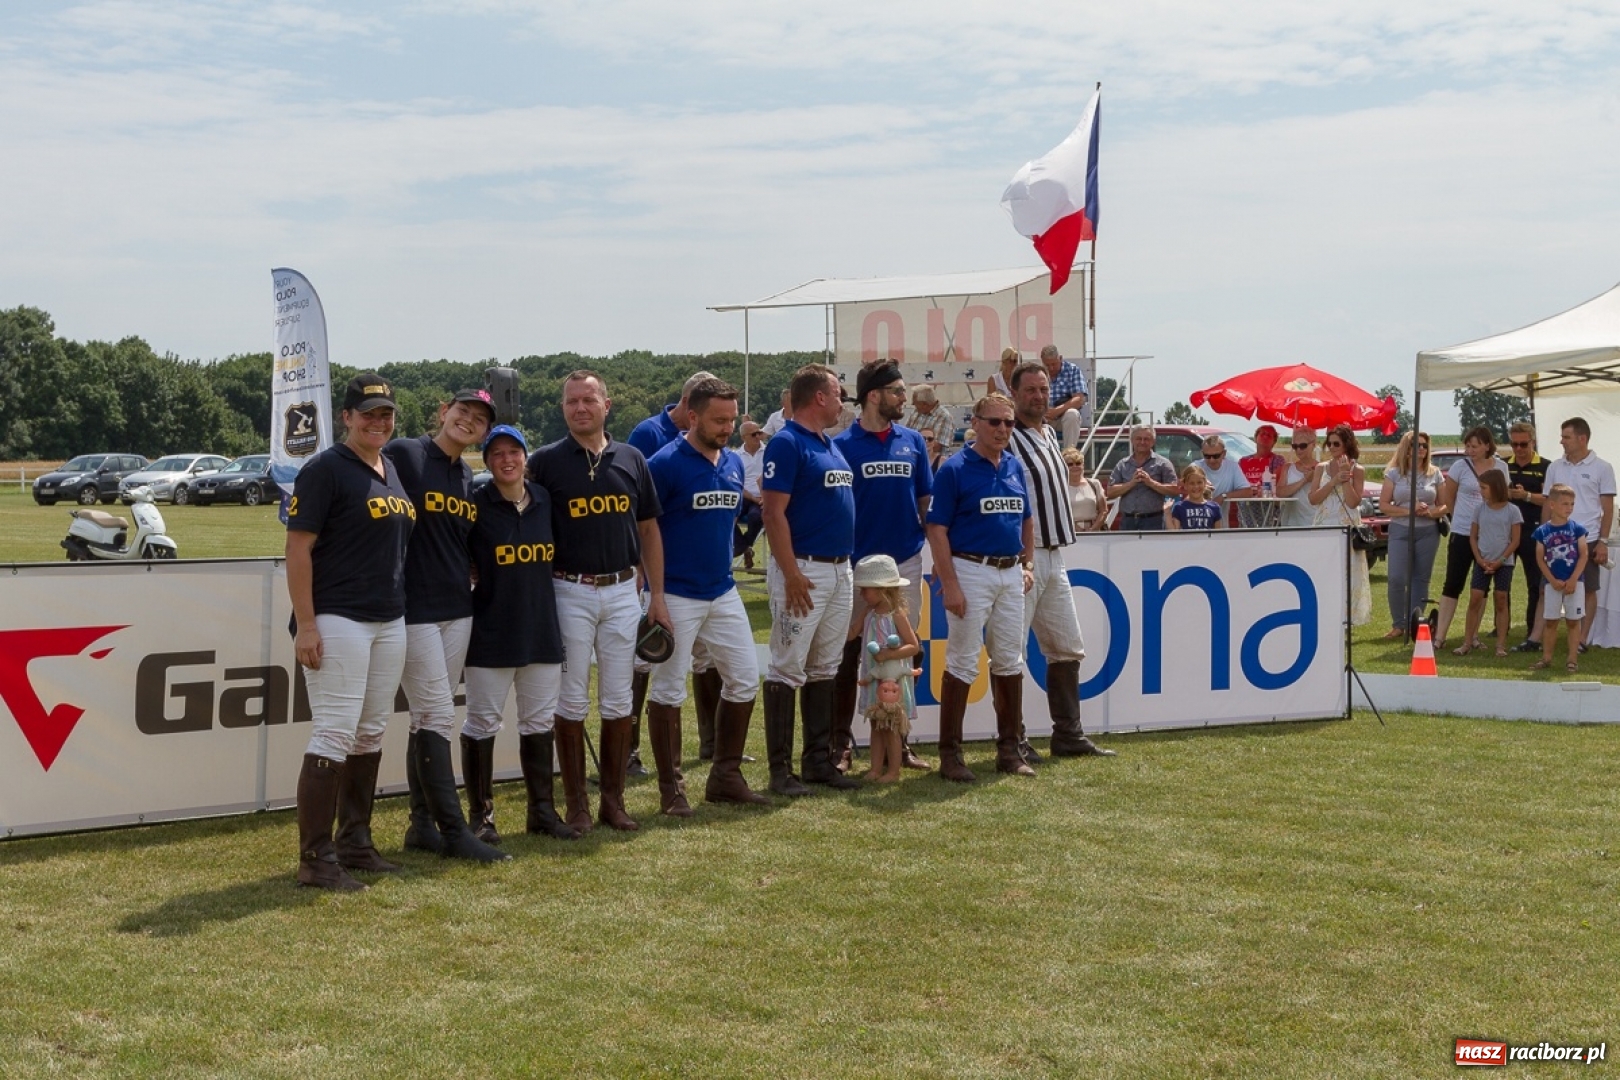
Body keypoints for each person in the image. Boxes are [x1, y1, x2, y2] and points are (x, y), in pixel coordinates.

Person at [286, 373, 416, 891]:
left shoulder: (390, 468)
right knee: (335, 732)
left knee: (370, 731)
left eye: (386, 414)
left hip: (388, 617)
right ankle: (315, 859)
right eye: (368, 413)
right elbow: (298, 549)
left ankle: (355, 842)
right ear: (346, 417)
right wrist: (308, 623)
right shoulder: (324, 469)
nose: (378, 422)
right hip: (338, 616)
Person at [527, 371, 669, 833]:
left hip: (624, 590)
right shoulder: (545, 463)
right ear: (563, 407)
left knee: (617, 699)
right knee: (570, 701)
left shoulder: (631, 458)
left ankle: (613, 800)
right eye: (571, 401)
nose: (580, 408)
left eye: (588, 400)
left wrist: (657, 597)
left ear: (607, 404)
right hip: (569, 588)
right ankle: (577, 805)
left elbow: (648, 529)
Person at [381, 387, 507, 862]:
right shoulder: (405, 453)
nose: (468, 421)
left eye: (479, 419)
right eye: (463, 412)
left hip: (459, 606)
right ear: (443, 412)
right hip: (414, 608)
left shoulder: (467, 475)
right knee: (436, 713)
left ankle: (421, 826)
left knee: (425, 718)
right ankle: (454, 831)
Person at [644, 377, 771, 814]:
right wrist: (654, 594)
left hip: (723, 590)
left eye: (732, 420)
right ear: (693, 415)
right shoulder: (663, 464)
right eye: (719, 420)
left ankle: (725, 777)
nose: (727, 428)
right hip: (676, 593)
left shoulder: (734, 463)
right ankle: (671, 789)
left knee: (742, 678)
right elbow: (645, 530)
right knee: (667, 689)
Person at [461, 424, 576, 841]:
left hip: (541, 629)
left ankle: (542, 813)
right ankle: (481, 816)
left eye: (514, 452)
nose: (506, 460)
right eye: (497, 454)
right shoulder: (475, 503)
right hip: (491, 630)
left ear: (526, 458)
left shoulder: (544, 499)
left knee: (539, 721)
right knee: (482, 722)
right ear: (487, 461)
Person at [760, 363, 861, 796]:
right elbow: (772, 512)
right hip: (805, 569)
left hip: (840, 568)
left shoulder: (830, 445)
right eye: (838, 394)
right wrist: (792, 573)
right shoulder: (786, 443)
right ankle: (780, 772)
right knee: (788, 666)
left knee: (826, 666)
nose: (842, 402)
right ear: (818, 397)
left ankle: (818, 761)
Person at [926, 392, 1036, 782]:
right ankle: (950, 755)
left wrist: (1028, 563)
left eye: (1009, 423)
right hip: (970, 568)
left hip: (1009, 573)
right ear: (976, 422)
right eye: (995, 422)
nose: (1003, 429)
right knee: (961, 660)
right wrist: (950, 583)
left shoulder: (1013, 466)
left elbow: (1025, 518)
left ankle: (1010, 750)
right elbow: (936, 527)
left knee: (1010, 660)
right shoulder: (955, 469)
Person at [831, 359, 933, 774]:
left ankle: (900, 742)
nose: (904, 398)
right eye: (896, 391)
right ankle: (840, 744)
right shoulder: (842, 445)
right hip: (857, 566)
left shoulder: (913, 441)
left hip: (904, 563)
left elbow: (926, 500)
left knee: (899, 655)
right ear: (873, 396)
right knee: (846, 653)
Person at [1009, 362, 1114, 761]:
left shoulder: (1050, 434)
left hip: (1056, 554)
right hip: (1025, 557)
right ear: (1015, 394)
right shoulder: (1011, 438)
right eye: (1030, 390)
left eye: (1043, 388)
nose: (1038, 396)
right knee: (1012, 652)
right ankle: (1013, 738)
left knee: (1068, 647)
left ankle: (1067, 734)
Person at [625, 370, 718, 780]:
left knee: (705, 655)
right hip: (660, 573)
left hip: (702, 572)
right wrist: (640, 567)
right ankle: (629, 750)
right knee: (647, 657)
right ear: (688, 406)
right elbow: (637, 507)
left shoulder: (712, 443)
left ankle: (711, 742)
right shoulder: (649, 434)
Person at [1542, 417, 1615, 646]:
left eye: (1566, 437)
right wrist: (1544, 535)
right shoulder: (1555, 466)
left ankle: (1582, 639)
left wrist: (1603, 541)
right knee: (1552, 586)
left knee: (1588, 588)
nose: (1561, 441)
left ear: (1582, 439)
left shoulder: (1602, 467)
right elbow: (1547, 503)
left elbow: (1607, 508)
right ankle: (1548, 636)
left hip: (1588, 537)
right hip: (1555, 537)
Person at [1437, 426, 1510, 647]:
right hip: (1462, 531)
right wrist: (1459, 518)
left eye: (1475, 446)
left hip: (1489, 536)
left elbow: (1503, 499)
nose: (1470, 450)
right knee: (1453, 583)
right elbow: (1448, 499)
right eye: (1468, 446)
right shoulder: (1459, 467)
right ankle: (1439, 636)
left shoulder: (1501, 467)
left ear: (1487, 445)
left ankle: (1473, 636)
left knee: (1481, 587)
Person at [852, 554, 921, 783]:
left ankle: (893, 770)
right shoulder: (869, 613)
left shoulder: (896, 615)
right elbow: (852, 633)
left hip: (891, 681)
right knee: (876, 723)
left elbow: (913, 646)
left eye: (866, 590)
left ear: (883, 589)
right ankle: (874, 768)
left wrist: (889, 654)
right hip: (873, 678)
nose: (862, 594)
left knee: (890, 725)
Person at [1378, 430, 1447, 640]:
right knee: (1397, 578)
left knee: (1420, 579)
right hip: (1400, 529)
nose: (1422, 449)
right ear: (1406, 448)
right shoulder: (1393, 473)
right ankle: (1398, 624)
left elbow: (1445, 505)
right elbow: (1384, 505)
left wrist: (1431, 512)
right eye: (1416, 445)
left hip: (1428, 531)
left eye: (1425, 446)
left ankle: (1415, 624)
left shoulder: (1435, 473)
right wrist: (1410, 510)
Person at [1308, 424, 1371, 626]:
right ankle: (1324, 612)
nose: (1332, 447)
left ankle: (1346, 617)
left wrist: (1346, 478)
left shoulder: (1357, 469)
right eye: (1330, 443)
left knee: (1347, 572)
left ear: (1347, 444)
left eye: (1337, 443)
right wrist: (1333, 480)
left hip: (1347, 527)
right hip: (1324, 524)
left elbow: (1353, 502)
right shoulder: (1321, 468)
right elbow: (1313, 499)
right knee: (1324, 571)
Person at [1455, 470, 1522, 658]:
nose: (1481, 491)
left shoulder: (1512, 511)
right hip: (1482, 562)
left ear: (1496, 487)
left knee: (1501, 599)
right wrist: (1479, 559)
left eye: (1484, 488)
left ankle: (1501, 644)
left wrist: (1500, 561)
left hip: (1504, 564)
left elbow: (1515, 540)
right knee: (1475, 598)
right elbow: (1473, 537)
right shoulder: (1479, 509)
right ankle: (1467, 642)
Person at [1532, 483, 1589, 673]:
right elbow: (1540, 558)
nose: (1569, 508)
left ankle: (1572, 659)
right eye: (1565, 504)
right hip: (1552, 583)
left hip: (1575, 582)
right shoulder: (1543, 531)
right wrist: (1551, 579)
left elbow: (1584, 555)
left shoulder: (1577, 529)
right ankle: (1546, 658)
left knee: (1573, 621)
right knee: (1551, 621)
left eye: (1572, 504)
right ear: (1552, 505)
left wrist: (1573, 579)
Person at [1505, 421, 1550, 652]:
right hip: (1506, 530)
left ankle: (1534, 627)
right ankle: (1500, 626)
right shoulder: (1503, 465)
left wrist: (1527, 496)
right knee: (1503, 581)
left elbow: (1551, 499)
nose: (1519, 449)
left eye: (1524, 444)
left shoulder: (1545, 466)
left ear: (1533, 441)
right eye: (1514, 444)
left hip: (1534, 529)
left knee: (1535, 582)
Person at [1106, 425, 1179, 531]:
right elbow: (1110, 492)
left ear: (1153, 442)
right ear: (1132, 440)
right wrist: (1131, 483)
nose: (1142, 442)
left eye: (1146, 439)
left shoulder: (1163, 464)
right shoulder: (1122, 464)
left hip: (1154, 521)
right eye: (1138, 438)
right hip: (1128, 521)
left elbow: (1174, 490)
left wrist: (1151, 483)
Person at [1195, 434, 1256, 525]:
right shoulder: (1196, 467)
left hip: (1220, 526)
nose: (1211, 460)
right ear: (1202, 453)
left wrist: (1223, 496)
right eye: (1207, 456)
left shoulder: (1232, 467)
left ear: (1224, 454)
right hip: (1196, 524)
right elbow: (1182, 488)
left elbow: (1247, 491)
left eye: (1216, 456)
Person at [1038, 345, 1088, 450]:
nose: (1051, 368)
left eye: (1054, 364)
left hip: (1063, 418)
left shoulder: (1072, 370)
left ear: (1060, 358)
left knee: (1072, 414)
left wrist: (1057, 411)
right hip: (1042, 417)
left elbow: (1079, 399)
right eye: (1047, 365)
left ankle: (1069, 454)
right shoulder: (1038, 374)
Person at [734, 420, 767, 569]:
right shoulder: (736, 456)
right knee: (727, 513)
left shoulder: (769, 453)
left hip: (763, 496)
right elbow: (735, 483)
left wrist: (765, 497)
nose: (758, 437)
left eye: (759, 433)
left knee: (756, 517)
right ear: (743, 437)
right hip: (744, 495)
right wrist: (753, 497)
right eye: (753, 434)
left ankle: (745, 546)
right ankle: (744, 547)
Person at [1275, 426, 1319, 528]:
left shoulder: (1322, 468)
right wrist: (1304, 480)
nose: (1298, 450)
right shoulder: (1288, 468)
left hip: (1314, 521)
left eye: (1303, 446)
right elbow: (1280, 493)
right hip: (1290, 522)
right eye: (1295, 446)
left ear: (1313, 445)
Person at [1062, 448, 1108, 533]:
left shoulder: (1095, 484)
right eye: (1070, 464)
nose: (1075, 466)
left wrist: (1093, 529)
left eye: (1078, 463)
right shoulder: (1060, 487)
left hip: (1093, 532)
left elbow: (1103, 511)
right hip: (1069, 532)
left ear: (1083, 465)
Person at [901, 385, 956, 453]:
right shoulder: (916, 412)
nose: (913, 404)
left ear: (924, 404)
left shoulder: (944, 417)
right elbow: (905, 435)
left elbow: (936, 447)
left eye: (915, 403)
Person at [1169, 464, 1224, 530]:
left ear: (1205, 483)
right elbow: (1174, 534)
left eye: (1199, 482)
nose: (1196, 487)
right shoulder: (1179, 507)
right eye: (1192, 483)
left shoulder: (1214, 507)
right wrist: (1167, 513)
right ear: (1185, 485)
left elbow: (1218, 535)